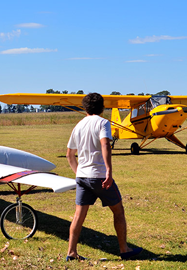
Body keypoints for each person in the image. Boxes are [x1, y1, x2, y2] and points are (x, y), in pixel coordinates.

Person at [66, 93, 142, 261]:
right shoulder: (103, 123)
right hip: (99, 176)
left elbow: (70, 155)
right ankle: (124, 249)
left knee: (79, 215)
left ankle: (71, 252)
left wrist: (79, 173)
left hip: (83, 177)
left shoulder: (78, 126)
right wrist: (108, 170)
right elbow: (105, 144)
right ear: (102, 108)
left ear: (85, 108)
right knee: (118, 210)